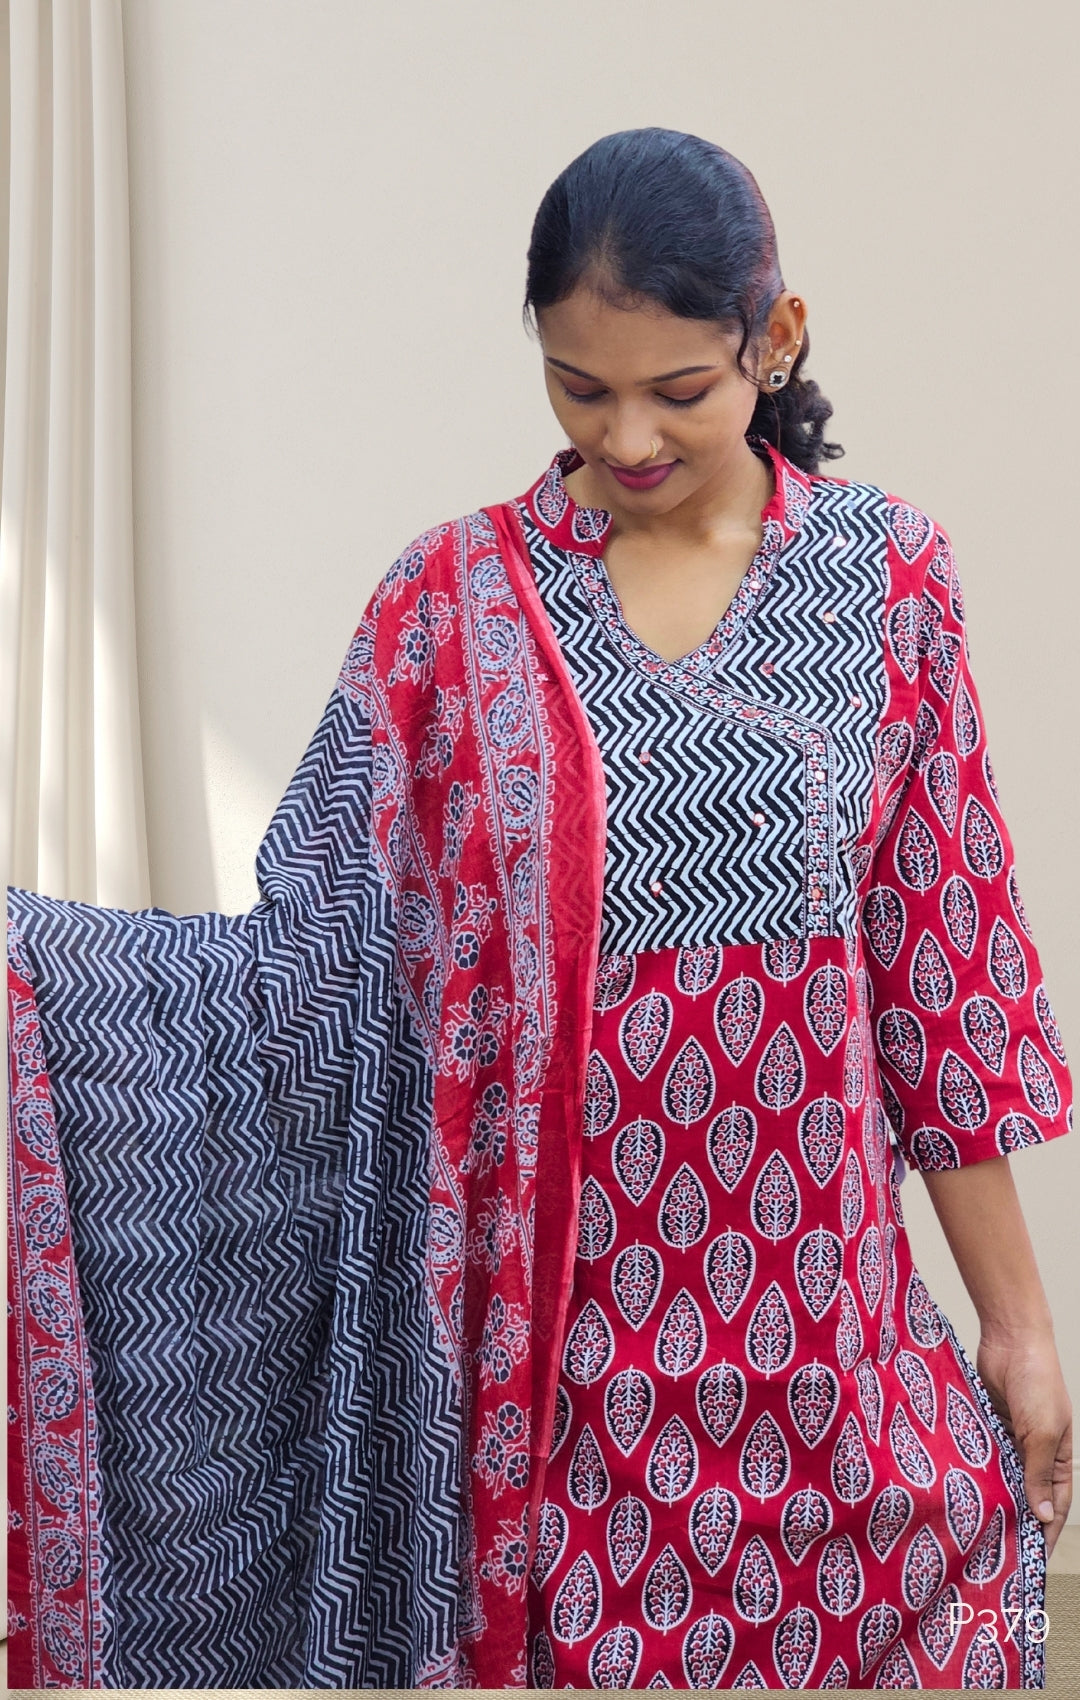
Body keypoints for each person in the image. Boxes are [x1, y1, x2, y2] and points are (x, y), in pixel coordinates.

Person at [6, 127, 1072, 1691]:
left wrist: (1021, 1327)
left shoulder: (890, 579)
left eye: (677, 390)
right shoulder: (445, 610)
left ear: (774, 337)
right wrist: (42, 975)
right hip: (553, 1390)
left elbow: (943, 982)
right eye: (579, 388)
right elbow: (310, 976)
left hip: (830, 1355)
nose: (626, 436)